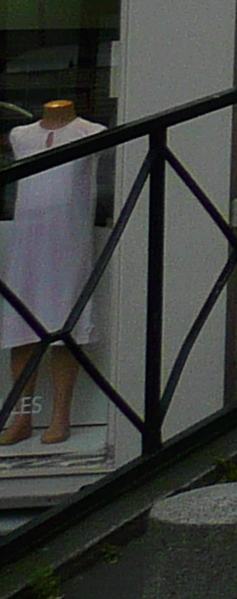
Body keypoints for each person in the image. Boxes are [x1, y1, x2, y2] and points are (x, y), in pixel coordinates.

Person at [3, 99, 105, 448]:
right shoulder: (21, 136)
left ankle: (61, 416)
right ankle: (22, 417)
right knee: (21, 329)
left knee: (65, 328)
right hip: (27, 244)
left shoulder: (91, 133)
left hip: (68, 243)